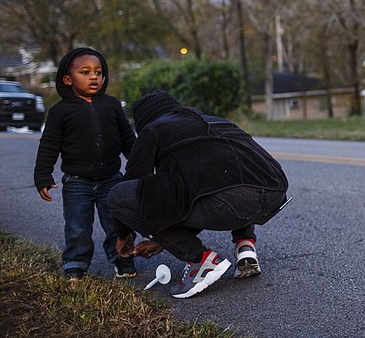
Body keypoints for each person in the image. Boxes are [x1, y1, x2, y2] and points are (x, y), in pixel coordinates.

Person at [108, 90, 290, 299]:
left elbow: (132, 183)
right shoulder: (214, 120)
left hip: (229, 200)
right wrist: (163, 239)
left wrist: (122, 234)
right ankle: (245, 245)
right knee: (227, 172)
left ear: (142, 122)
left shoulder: (153, 129)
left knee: (119, 195)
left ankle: (200, 260)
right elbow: (199, 189)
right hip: (275, 195)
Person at [34, 47, 137, 280]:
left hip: (111, 179)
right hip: (77, 182)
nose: (94, 77)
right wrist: (42, 175)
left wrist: (142, 164)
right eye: (86, 72)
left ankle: (123, 257)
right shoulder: (60, 111)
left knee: (117, 223)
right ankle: (76, 263)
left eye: (99, 72)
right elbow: (48, 145)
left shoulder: (111, 105)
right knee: (78, 226)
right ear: (68, 79)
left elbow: (128, 140)